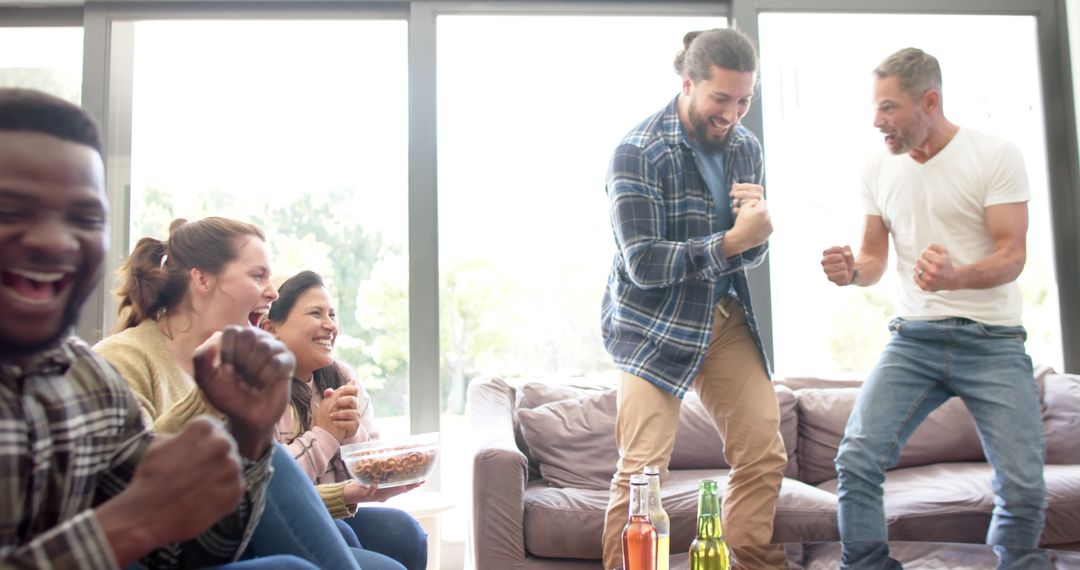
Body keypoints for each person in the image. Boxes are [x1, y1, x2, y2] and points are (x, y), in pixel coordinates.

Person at [0, 87, 313, 569]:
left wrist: (250, 435)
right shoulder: (121, 359)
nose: (53, 240)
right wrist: (129, 522)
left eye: (85, 218)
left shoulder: (87, 381)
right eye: (11, 211)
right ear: (201, 280)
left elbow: (190, 551)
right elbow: (140, 520)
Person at [821, 47, 1048, 568]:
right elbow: (874, 258)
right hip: (914, 340)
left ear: (930, 101)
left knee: (1023, 482)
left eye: (889, 108)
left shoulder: (995, 155)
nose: (877, 121)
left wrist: (957, 277)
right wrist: (851, 271)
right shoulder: (878, 166)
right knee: (856, 459)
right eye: (875, 109)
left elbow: (1012, 255)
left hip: (992, 340)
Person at [600, 29, 787, 570]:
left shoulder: (745, 147)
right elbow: (644, 263)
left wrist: (756, 236)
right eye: (721, 99)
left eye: (745, 100)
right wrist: (734, 240)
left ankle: (749, 563)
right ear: (688, 84)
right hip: (652, 326)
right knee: (643, 474)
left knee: (762, 452)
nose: (732, 114)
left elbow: (745, 258)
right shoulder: (636, 153)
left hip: (722, 315)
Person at [93, 217, 363, 569]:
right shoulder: (121, 358)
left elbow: (265, 495)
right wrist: (211, 399)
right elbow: (131, 487)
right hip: (163, 547)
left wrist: (346, 493)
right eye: (257, 276)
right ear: (202, 279)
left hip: (223, 530)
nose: (273, 292)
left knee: (394, 536)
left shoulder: (244, 367)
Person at [260, 270, 428, 570]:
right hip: (284, 520)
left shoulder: (342, 377)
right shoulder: (257, 387)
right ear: (271, 328)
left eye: (332, 314)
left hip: (335, 509)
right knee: (346, 534)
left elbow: (369, 468)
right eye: (316, 313)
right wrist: (323, 436)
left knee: (407, 532)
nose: (330, 325)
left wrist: (351, 435)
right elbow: (274, 489)